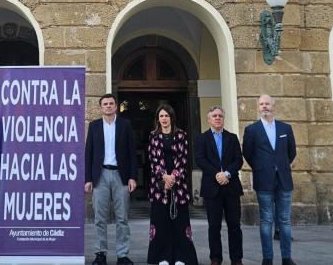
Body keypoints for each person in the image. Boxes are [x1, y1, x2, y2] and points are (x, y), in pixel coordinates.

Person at [243, 94, 297, 265]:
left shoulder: (285, 128)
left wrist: (280, 165)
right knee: (266, 219)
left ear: (273, 105)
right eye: (261, 104)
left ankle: (287, 258)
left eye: (267, 103)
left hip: (284, 179)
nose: (264, 106)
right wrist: (261, 166)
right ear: (258, 107)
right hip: (263, 179)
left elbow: (292, 152)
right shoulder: (251, 130)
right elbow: (247, 153)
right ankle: (267, 258)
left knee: (285, 220)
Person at [84, 93, 137, 265]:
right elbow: (88, 154)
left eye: (111, 103)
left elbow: (132, 153)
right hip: (100, 175)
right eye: (105, 104)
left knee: (122, 218)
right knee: (100, 218)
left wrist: (132, 177)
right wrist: (88, 179)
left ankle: (122, 255)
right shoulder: (94, 126)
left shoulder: (125, 125)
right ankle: (100, 254)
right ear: (101, 107)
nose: (108, 106)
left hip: (120, 175)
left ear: (116, 106)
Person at [146, 104, 198, 265]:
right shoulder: (153, 136)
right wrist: (164, 177)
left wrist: (173, 177)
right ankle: (162, 257)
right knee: (161, 222)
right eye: (161, 116)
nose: (164, 119)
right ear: (158, 119)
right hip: (159, 187)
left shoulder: (181, 135)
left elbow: (183, 159)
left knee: (179, 223)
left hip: (179, 185)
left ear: (171, 118)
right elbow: (153, 160)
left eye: (167, 116)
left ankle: (181, 257)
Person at [195, 106, 244, 265]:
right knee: (214, 227)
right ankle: (215, 258)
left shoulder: (232, 137)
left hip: (231, 187)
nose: (217, 118)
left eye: (220, 116)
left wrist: (227, 174)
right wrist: (217, 173)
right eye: (214, 116)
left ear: (224, 119)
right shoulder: (202, 138)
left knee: (234, 226)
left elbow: (238, 160)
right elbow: (200, 160)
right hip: (212, 188)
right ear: (209, 119)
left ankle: (236, 259)